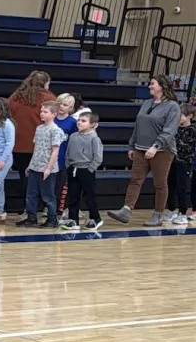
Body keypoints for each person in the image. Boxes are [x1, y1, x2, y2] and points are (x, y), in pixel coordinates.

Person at [107, 75, 182, 226]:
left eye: (152, 84)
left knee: (160, 183)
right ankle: (126, 209)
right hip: (140, 148)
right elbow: (138, 125)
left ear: (162, 86)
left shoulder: (173, 106)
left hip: (163, 150)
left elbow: (170, 130)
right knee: (135, 180)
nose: (149, 86)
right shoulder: (146, 103)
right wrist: (132, 145)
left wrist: (156, 147)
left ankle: (157, 214)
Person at [18, 101, 65, 228]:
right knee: (31, 194)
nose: (42, 114)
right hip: (35, 166)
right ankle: (31, 217)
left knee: (48, 195)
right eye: (41, 111)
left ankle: (52, 219)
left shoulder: (55, 130)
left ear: (54, 114)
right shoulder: (39, 128)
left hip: (47, 168)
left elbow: (55, 151)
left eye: (45, 112)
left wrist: (48, 168)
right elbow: (37, 149)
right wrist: (30, 165)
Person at [61, 111, 104, 231]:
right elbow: (68, 152)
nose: (79, 122)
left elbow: (98, 157)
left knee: (89, 196)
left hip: (86, 170)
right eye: (79, 120)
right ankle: (73, 220)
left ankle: (95, 218)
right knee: (72, 196)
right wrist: (68, 165)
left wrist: (90, 169)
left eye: (83, 121)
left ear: (92, 124)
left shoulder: (94, 139)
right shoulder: (73, 136)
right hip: (73, 169)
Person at [173, 104, 195, 226]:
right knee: (173, 186)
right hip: (174, 161)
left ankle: (183, 213)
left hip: (185, 162)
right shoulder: (175, 128)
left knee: (183, 188)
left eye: (181, 115)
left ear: (189, 116)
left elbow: (189, 147)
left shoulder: (193, 130)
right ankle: (173, 210)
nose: (178, 117)